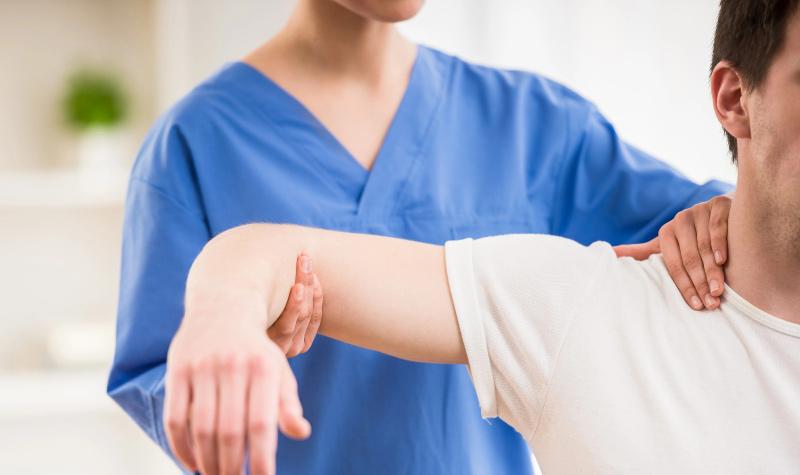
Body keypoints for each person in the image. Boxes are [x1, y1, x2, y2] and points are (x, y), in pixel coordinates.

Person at [164, 0, 800, 474]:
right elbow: (181, 378)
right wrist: (229, 329)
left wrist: (707, 215)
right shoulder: (198, 140)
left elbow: (739, 209)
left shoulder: (534, 125)